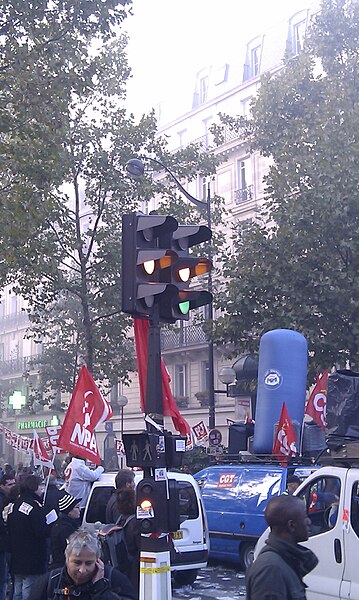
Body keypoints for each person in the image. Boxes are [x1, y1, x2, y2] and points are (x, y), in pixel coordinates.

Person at [29, 527, 138, 600]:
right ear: (67, 559)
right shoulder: (49, 583)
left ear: (98, 561)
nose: (82, 570)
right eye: (77, 562)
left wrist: (100, 590)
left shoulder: (114, 579)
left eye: (89, 563)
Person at [246, 495, 318, 600]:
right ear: (291, 525)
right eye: (305, 517)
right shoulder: (270, 569)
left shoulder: (285, 559)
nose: (309, 522)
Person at [7, 474, 56, 600]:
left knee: (17, 590)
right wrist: (52, 524)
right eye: (40, 485)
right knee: (29, 590)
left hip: (16, 555)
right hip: (32, 556)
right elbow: (41, 531)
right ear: (34, 487)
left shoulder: (14, 505)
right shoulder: (34, 507)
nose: (42, 489)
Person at [114, 488, 140, 594]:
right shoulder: (135, 523)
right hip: (133, 568)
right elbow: (139, 547)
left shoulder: (120, 519)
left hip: (122, 566)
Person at [50, 493, 81, 569]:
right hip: (63, 566)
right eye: (77, 507)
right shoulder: (65, 529)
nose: (80, 509)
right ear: (69, 511)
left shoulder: (64, 524)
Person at [0, 474, 16, 600]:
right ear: (2, 486)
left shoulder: (8, 499)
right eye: (10, 484)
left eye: (14, 483)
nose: (13, 487)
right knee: (3, 577)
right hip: (3, 544)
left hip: (5, 543)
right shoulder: (2, 500)